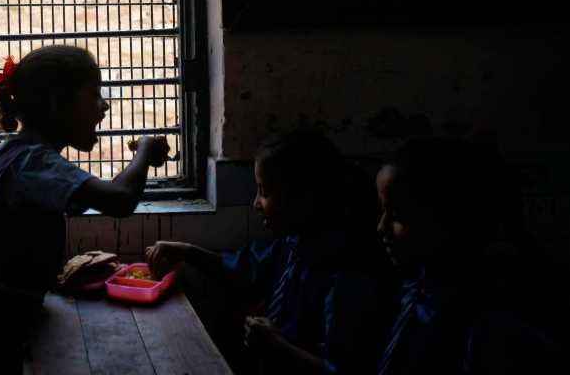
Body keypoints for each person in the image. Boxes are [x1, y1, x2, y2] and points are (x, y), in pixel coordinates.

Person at [0, 45, 171, 375]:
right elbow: (120, 199)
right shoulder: (35, 163)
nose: (104, 106)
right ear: (58, 103)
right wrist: (144, 151)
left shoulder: (5, 157)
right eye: (94, 94)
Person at [147, 130, 390, 374]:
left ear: (303, 198)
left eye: (264, 192)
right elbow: (238, 269)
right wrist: (186, 251)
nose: (256, 204)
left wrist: (277, 347)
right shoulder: (292, 245)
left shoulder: (346, 276)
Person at [375, 137, 559, 374]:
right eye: (383, 211)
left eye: (398, 216)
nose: (381, 227)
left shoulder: (494, 330)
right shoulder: (416, 292)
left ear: (449, 220)